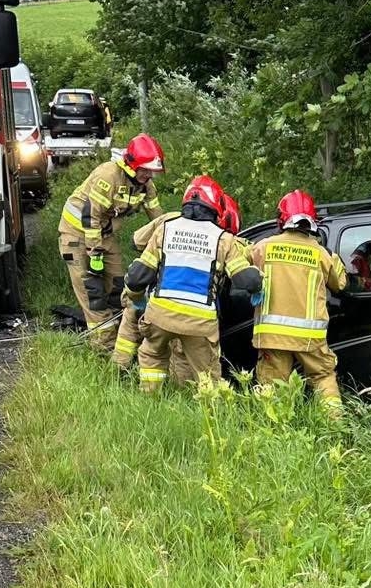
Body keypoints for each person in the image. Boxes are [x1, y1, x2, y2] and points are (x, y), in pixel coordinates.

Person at [126, 175, 260, 393]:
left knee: (152, 357)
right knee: (207, 375)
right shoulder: (223, 238)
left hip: (160, 315)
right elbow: (245, 279)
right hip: (198, 322)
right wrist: (258, 287)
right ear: (217, 205)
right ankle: (211, 415)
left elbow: (137, 276)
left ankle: (148, 400)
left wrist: (137, 299)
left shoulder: (165, 229)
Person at [57, 132, 166, 356]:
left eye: (152, 171)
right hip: (76, 234)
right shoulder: (109, 176)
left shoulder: (145, 185)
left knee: (119, 285)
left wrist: (168, 244)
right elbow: (91, 216)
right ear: (133, 165)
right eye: (146, 170)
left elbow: (158, 219)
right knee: (92, 290)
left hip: (102, 234)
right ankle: (103, 347)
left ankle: (122, 336)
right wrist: (95, 253)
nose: (149, 175)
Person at [250, 190, 349, 412]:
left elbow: (242, 270)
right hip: (310, 337)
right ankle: (334, 424)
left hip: (273, 335)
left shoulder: (264, 246)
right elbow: (341, 284)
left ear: (282, 218)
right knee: (323, 376)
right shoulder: (322, 254)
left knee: (273, 386)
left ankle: (276, 431)